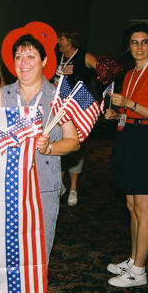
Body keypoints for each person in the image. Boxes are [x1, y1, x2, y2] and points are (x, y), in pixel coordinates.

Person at [0, 33, 80, 293]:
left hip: (43, 186)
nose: (24, 63)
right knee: (5, 248)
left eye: (30, 56)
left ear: (44, 61)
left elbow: (73, 141)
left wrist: (50, 147)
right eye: (18, 56)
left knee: (36, 254)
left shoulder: (58, 97)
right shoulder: (1, 96)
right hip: (6, 187)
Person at [104, 23, 148, 288]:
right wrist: (118, 114)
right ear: (128, 45)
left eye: (144, 42)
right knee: (131, 206)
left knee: (144, 208)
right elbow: (132, 111)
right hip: (128, 136)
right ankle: (133, 259)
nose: (139, 47)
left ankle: (139, 271)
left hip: (147, 141)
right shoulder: (131, 73)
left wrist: (129, 104)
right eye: (134, 42)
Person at [54, 27, 98, 206]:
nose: (58, 42)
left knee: (75, 147)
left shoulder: (84, 57)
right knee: (58, 145)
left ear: (70, 41)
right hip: (58, 107)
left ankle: (73, 188)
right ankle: (59, 185)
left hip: (77, 108)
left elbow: (103, 73)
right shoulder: (58, 57)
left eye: (61, 39)